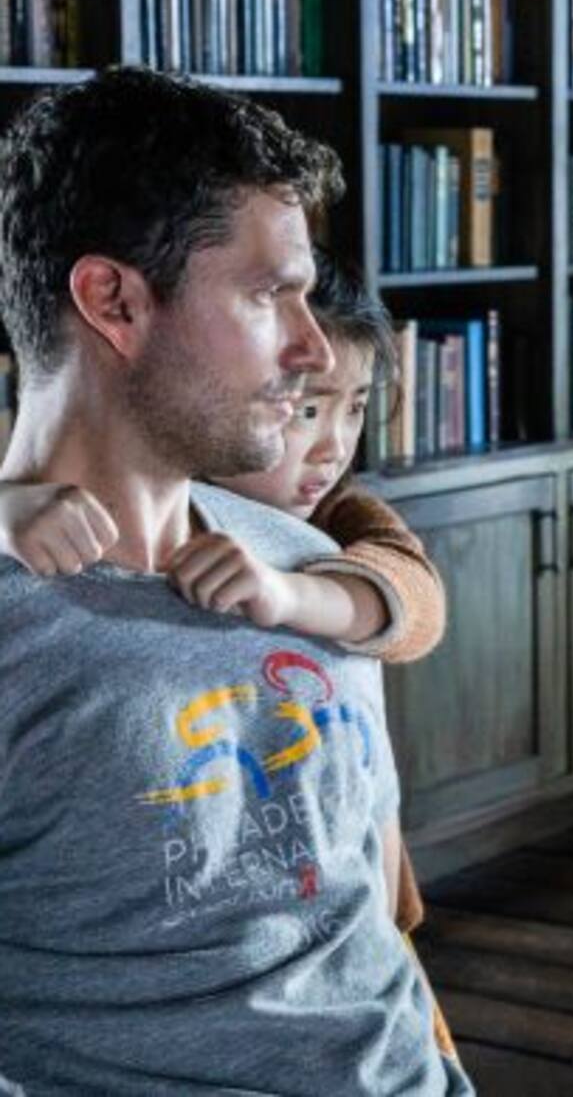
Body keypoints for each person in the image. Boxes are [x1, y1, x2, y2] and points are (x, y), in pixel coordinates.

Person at [0, 66, 472, 1094]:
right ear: (115, 301)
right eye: (268, 296)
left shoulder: (309, 565)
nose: (310, 348)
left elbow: (362, 921)